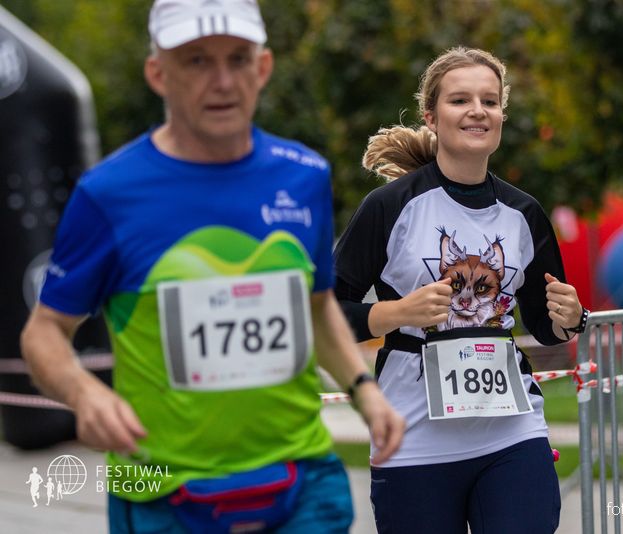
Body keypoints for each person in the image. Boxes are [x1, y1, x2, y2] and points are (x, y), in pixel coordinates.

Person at [20, 1, 404, 532]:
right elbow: (44, 332)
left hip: (300, 479)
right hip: (161, 490)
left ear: (262, 67)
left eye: (237, 59)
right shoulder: (109, 194)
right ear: (158, 73)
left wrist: (364, 390)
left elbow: (317, 308)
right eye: (197, 60)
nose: (222, 81)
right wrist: (84, 394)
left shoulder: (303, 176)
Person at [334, 46, 588, 534]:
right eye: (460, 100)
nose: (477, 111)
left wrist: (569, 318)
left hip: (512, 431)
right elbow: (327, 312)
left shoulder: (524, 213)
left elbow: (545, 325)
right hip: (413, 436)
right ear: (431, 116)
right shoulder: (389, 207)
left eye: (489, 101)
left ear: (502, 116)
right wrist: (397, 313)